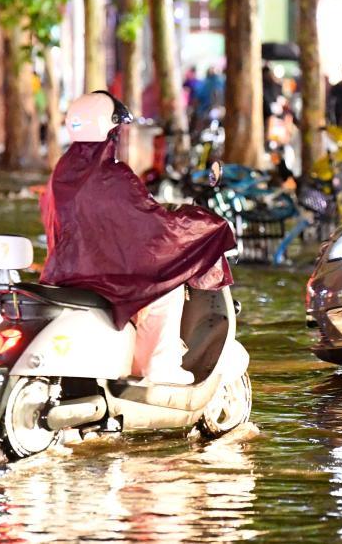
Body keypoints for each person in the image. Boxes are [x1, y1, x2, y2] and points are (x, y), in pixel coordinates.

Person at [39, 91, 235, 385]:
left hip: (68, 272)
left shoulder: (63, 171)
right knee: (164, 288)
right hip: (105, 276)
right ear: (110, 130)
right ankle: (159, 367)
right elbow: (152, 227)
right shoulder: (112, 175)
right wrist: (200, 224)